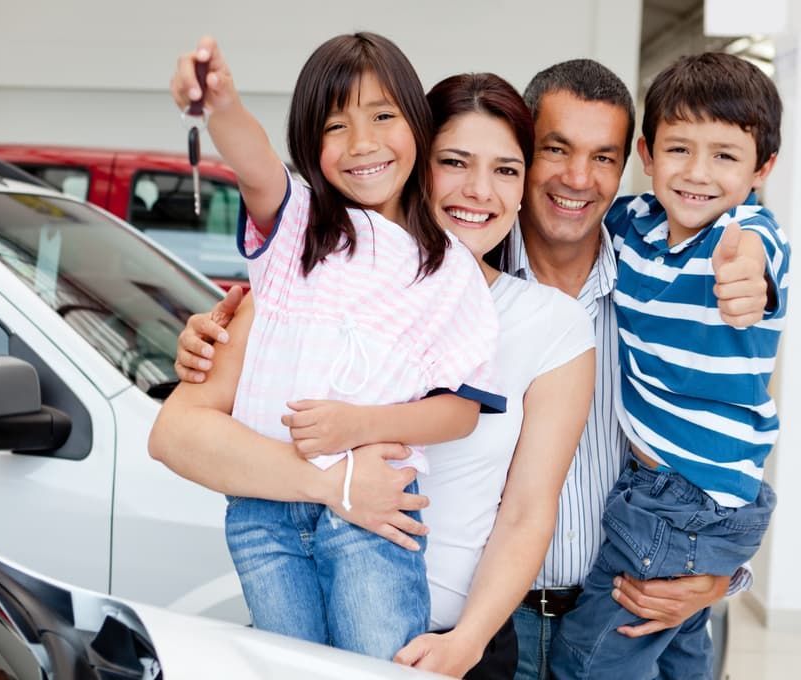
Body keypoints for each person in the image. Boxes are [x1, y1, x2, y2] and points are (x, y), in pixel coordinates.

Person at [173, 57, 774, 680]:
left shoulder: (655, 288)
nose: (577, 176)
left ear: (629, 166)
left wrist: (717, 573)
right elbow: (185, 431)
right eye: (555, 149)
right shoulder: (341, 278)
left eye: (603, 158)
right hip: (473, 624)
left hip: (600, 612)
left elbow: (725, 416)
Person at [153, 68, 597, 678]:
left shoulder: (551, 324)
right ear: (416, 160)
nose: (479, 191)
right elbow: (175, 434)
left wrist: (467, 642)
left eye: (505, 170)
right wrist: (335, 485)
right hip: (310, 630)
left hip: (449, 649)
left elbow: (528, 511)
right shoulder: (313, 281)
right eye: (455, 162)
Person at [549, 52, 788, 680]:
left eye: (726, 156)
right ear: (647, 155)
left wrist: (747, 279)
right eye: (679, 150)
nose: (698, 174)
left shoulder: (745, 234)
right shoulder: (632, 225)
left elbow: (758, 255)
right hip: (675, 497)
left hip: (683, 502)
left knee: (589, 662)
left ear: (763, 167)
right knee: (681, 658)